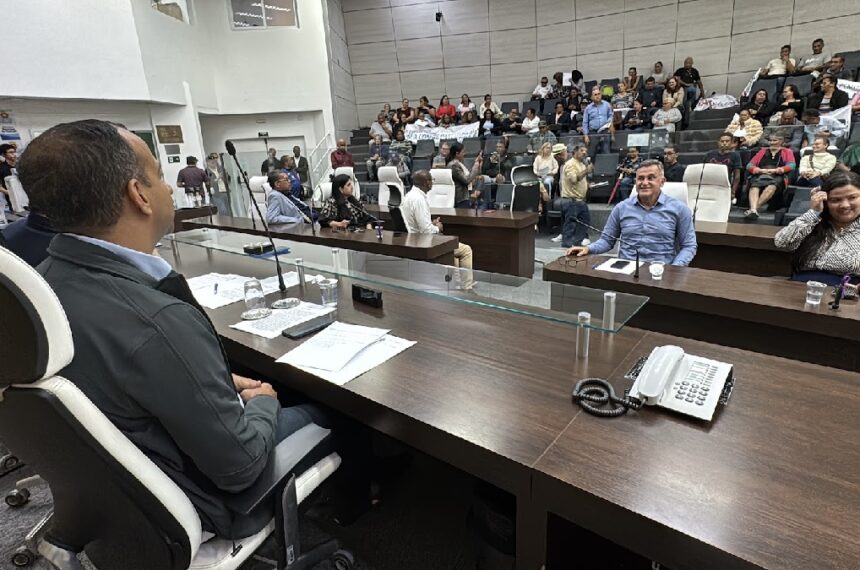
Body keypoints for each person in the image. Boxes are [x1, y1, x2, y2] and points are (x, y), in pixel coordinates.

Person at [18, 119, 347, 539]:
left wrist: (207, 380)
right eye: (157, 175)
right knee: (330, 407)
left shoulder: (42, 285)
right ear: (138, 195)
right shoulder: (156, 320)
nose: (169, 187)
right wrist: (264, 399)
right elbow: (241, 465)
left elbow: (118, 373)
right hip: (206, 502)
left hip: (126, 493)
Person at [566, 160, 697, 265]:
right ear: (635, 182)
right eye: (641, 178)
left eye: (651, 178)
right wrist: (588, 249)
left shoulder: (680, 209)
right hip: (626, 271)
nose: (645, 183)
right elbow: (607, 240)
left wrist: (675, 269)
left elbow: (689, 246)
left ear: (662, 182)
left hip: (661, 271)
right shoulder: (621, 208)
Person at [774, 171, 860, 284]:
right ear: (825, 201)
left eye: (852, 197)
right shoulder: (814, 223)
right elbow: (782, 242)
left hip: (844, 295)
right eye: (835, 200)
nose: (845, 205)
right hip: (800, 290)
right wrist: (814, 212)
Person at [400, 170, 474, 289]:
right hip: (424, 242)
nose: (432, 183)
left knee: (453, 252)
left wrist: (431, 223)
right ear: (427, 183)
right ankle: (467, 288)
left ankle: (457, 285)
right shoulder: (418, 199)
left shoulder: (409, 196)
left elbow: (418, 223)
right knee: (466, 250)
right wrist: (437, 227)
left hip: (414, 238)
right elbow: (426, 231)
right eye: (431, 180)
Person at [745, 134, 796, 219]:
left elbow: (792, 165)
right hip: (761, 173)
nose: (772, 142)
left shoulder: (787, 151)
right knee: (754, 186)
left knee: (772, 186)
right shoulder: (762, 151)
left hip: (777, 174)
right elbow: (749, 165)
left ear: (781, 141)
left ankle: (753, 209)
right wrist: (758, 170)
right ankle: (754, 210)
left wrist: (778, 170)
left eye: (774, 140)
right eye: (770, 140)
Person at [557, 144, 593, 247]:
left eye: (585, 151)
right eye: (582, 150)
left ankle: (577, 243)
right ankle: (567, 246)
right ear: (575, 152)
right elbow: (573, 180)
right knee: (570, 224)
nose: (584, 153)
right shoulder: (570, 164)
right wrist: (587, 171)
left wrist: (587, 185)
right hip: (571, 200)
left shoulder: (582, 164)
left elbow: (581, 180)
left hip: (580, 200)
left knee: (584, 222)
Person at [705, 133, 743, 203]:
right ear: (718, 142)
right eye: (722, 141)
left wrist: (733, 191)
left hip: (725, 185)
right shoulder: (710, 154)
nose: (724, 143)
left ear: (731, 143)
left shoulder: (735, 155)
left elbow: (737, 176)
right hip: (710, 184)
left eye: (727, 141)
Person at [446, 142, 483, 208]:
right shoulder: (453, 165)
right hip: (460, 199)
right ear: (457, 154)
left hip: (465, 196)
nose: (464, 154)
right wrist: (476, 165)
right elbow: (467, 180)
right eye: (463, 152)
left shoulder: (459, 163)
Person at [582, 88, 614, 155]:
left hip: (605, 130)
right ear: (592, 97)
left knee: (606, 151)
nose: (597, 96)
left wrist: (609, 124)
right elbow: (585, 123)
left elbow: (610, 116)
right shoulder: (588, 108)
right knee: (592, 152)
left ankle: (606, 164)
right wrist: (585, 135)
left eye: (599, 94)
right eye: (595, 94)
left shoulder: (607, 105)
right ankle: (592, 165)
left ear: (601, 95)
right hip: (593, 132)